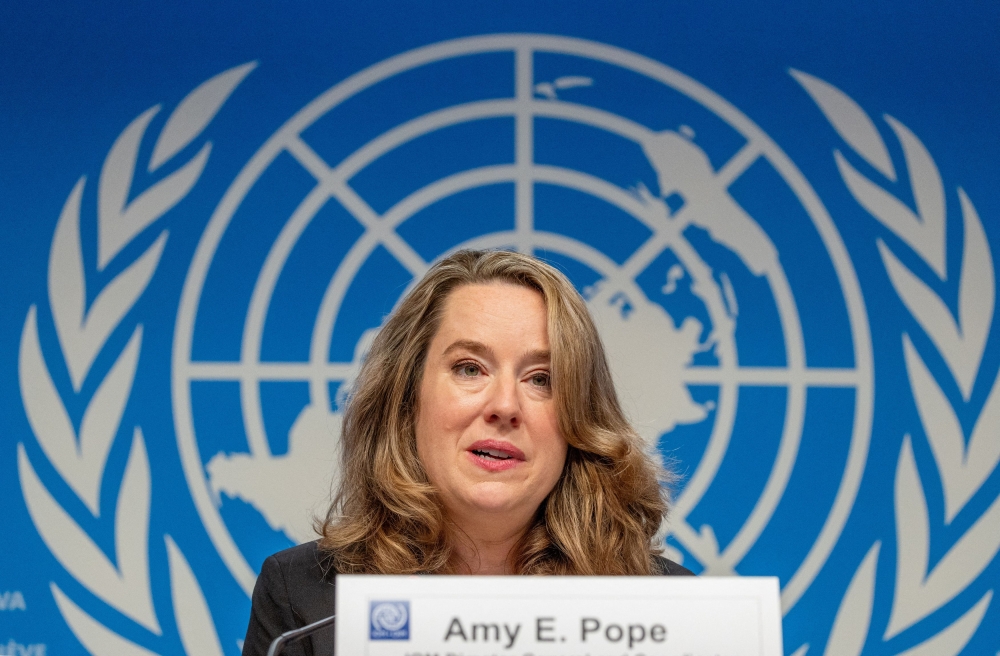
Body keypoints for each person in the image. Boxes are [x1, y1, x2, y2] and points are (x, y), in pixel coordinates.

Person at [242, 249, 692, 656]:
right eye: (469, 369)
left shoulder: (668, 611)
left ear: (580, 420)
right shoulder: (305, 598)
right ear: (406, 397)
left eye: (541, 379)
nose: (504, 407)